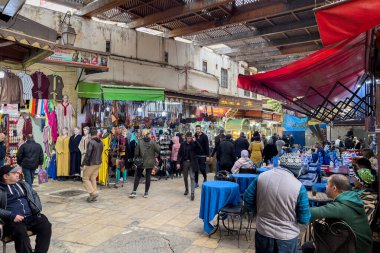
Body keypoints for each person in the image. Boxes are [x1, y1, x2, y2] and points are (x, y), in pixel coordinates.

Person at [244, 154, 310, 253]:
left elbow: (247, 198)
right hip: (287, 237)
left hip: (263, 232)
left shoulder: (261, 177)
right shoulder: (299, 187)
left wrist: (258, 211)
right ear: (297, 169)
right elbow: (304, 219)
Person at [302, 175, 372, 253]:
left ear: (334, 188)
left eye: (327, 184)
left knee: (307, 246)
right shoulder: (353, 198)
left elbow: (309, 213)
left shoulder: (341, 207)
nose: (325, 187)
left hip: (353, 249)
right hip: (361, 246)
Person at [0, 165, 52, 253]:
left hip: (31, 216)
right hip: (12, 220)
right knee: (20, 232)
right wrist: (11, 216)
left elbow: (34, 194)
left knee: (45, 225)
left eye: (17, 172)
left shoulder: (23, 184)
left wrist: (37, 207)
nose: (17, 174)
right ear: (5, 176)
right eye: (14, 173)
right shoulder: (1, 190)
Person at [130, 129, 160, 198]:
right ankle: (146, 193)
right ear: (148, 134)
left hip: (141, 162)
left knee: (138, 176)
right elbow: (158, 150)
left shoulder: (140, 142)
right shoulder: (152, 142)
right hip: (150, 162)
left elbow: (136, 153)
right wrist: (154, 155)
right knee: (148, 176)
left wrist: (137, 157)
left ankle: (134, 191)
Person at [177, 132, 202, 201]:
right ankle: (187, 189)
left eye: (190, 138)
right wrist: (178, 163)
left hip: (192, 163)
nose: (189, 139)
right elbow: (179, 154)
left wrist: (195, 141)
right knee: (185, 177)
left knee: (192, 177)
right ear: (186, 137)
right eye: (188, 138)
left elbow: (200, 149)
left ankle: (192, 193)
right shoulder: (182, 144)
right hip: (184, 162)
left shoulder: (194, 144)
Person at [82, 128, 103, 202]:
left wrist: (83, 164)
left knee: (85, 178)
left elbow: (88, 155)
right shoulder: (100, 142)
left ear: (90, 134)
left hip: (91, 163)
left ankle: (93, 193)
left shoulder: (91, 142)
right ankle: (93, 194)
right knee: (93, 178)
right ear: (96, 133)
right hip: (99, 163)